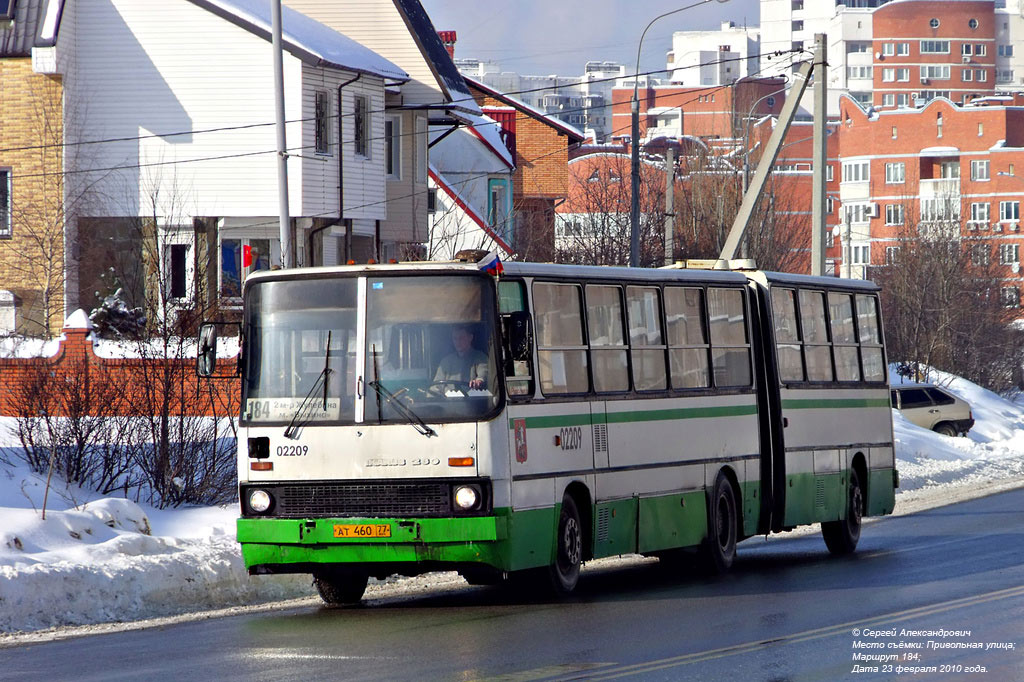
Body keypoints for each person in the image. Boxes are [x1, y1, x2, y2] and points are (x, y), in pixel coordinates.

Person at [433, 325, 488, 390]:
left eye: (461, 338)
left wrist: (479, 381)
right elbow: (436, 387)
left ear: (470, 338)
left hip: (472, 399)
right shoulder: (446, 361)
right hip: (448, 399)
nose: (458, 342)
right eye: (455, 338)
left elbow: (484, 372)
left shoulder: (480, 357)